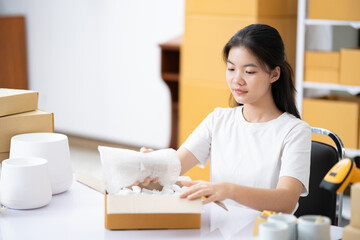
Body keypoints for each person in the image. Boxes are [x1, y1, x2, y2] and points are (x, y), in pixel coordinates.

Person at [141, 24, 311, 214]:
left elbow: (286, 200)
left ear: (274, 74)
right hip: (219, 228)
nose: (237, 80)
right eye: (231, 69)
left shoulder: (295, 131)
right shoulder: (218, 119)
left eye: (249, 72)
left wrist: (229, 190)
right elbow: (174, 167)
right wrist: (151, 163)